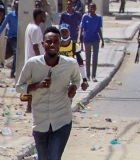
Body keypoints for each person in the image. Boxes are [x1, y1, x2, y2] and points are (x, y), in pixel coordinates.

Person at [16, 26, 80, 160]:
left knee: (53, 158)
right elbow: (19, 87)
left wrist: (73, 88)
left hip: (61, 121)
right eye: (49, 42)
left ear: (60, 44)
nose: (52, 45)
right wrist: (36, 86)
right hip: (40, 122)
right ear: (42, 44)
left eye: (56, 41)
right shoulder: (33, 64)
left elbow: (76, 80)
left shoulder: (70, 64)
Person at [24, 8, 47, 113]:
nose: (45, 17)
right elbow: (35, 46)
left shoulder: (30, 26)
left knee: (32, 85)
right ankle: (30, 107)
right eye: (43, 15)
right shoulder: (36, 29)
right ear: (39, 16)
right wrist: (40, 60)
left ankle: (30, 107)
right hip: (35, 61)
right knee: (36, 85)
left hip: (31, 60)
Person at [78, 3, 104, 82]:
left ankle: (94, 76)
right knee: (88, 57)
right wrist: (80, 38)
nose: (92, 8)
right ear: (88, 8)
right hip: (87, 39)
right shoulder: (85, 17)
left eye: (93, 7)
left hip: (95, 39)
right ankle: (88, 75)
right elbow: (81, 28)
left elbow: (99, 29)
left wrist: (102, 40)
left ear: (95, 8)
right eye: (90, 7)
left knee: (95, 57)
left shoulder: (98, 17)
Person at [59, 23, 88, 90]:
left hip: (71, 73)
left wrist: (84, 79)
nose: (64, 33)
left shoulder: (75, 46)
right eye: (62, 31)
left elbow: (80, 63)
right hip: (58, 73)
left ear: (69, 32)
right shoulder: (56, 46)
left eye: (66, 31)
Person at [0, 0, 19, 78]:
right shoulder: (10, 15)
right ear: (14, 6)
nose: (17, 6)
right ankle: (13, 72)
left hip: (20, 36)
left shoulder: (23, 16)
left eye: (18, 5)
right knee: (16, 51)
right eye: (16, 5)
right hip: (12, 37)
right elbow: (3, 26)